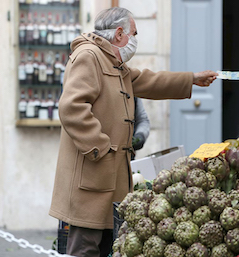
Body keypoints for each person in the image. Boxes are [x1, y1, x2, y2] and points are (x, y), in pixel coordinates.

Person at [49, 7, 217, 257]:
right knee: (84, 247)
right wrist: (101, 148)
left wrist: (192, 78)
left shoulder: (111, 62)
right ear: (119, 34)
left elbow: (148, 80)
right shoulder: (89, 56)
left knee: (105, 245)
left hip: (105, 178)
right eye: (134, 33)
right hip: (91, 176)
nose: (136, 39)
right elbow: (72, 108)